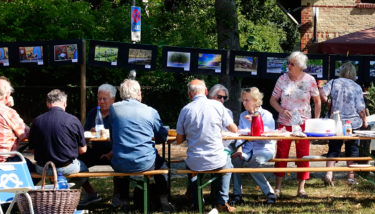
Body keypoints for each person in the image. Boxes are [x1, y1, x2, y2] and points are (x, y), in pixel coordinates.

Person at [28, 89, 100, 206]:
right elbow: (83, 150)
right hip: (66, 167)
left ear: (47, 103)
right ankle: (66, 192)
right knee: (84, 170)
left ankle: (56, 193)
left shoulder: (37, 121)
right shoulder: (73, 120)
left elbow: (32, 149)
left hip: (43, 168)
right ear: (65, 103)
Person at [108, 79, 171, 211]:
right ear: (138, 93)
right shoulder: (150, 111)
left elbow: (113, 134)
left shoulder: (114, 109)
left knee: (122, 163)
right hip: (145, 162)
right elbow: (162, 137)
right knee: (162, 165)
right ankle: (164, 201)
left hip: (120, 161)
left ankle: (125, 203)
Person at [176, 79, 238, 213]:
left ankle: (197, 200)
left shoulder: (185, 110)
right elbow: (234, 129)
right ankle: (222, 201)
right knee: (228, 164)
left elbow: (179, 139)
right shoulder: (217, 106)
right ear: (205, 91)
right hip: (217, 159)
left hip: (195, 161)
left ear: (189, 94)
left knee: (191, 168)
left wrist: (191, 132)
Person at [270, 51, 321, 198]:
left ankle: (301, 188)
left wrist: (315, 121)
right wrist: (281, 110)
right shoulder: (282, 79)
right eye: (288, 63)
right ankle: (278, 188)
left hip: (303, 122)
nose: (289, 66)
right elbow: (272, 100)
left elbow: (317, 102)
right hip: (284, 123)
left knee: (303, 155)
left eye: (292, 64)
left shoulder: (310, 80)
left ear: (300, 66)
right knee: (281, 155)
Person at [319, 62, 367, 186]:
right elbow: (361, 108)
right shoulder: (356, 87)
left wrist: (328, 104)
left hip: (336, 121)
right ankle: (351, 178)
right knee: (352, 150)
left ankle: (329, 174)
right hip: (353, 123)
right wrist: (365, 121)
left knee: (334, 149)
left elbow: (321, 93)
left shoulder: (334, 83)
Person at [78, 83, 122, 206]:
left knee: (122, 161)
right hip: (95, 150)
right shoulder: (93, 113)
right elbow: (83, 138)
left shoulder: (118, 115)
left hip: (114, 152)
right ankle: (91, 193)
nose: (101, 101)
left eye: (104, 99)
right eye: (99, 98)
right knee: (75, 162)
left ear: (113, 100)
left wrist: (111, 153)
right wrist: (89, 134)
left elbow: (123, 140)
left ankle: (117, 196)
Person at [231, 87, 276, 204]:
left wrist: (255, 121)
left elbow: (269, 135)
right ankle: (237, 195)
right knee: (236, 159)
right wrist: (239, 149)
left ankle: (270, 193)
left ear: (256, 100)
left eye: (247, 100)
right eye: (243, 100)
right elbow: (239, 134)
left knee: (252, 163)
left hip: (264, 148)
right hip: (247, 149)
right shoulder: (243, 115)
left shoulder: (266, 114)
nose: (244, 103)